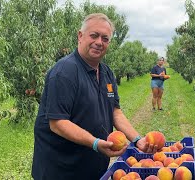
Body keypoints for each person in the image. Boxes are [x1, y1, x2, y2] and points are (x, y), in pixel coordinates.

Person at [31, 13, 157, 180]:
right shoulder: (64, 73)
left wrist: (137, 140)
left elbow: (115, 112)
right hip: (62, 170)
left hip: (93, 168)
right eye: (94, 35)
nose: (99, 42)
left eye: (105, 39)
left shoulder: (106, 73)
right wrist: (95, 143)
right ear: (80, 36)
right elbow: (57, 123)